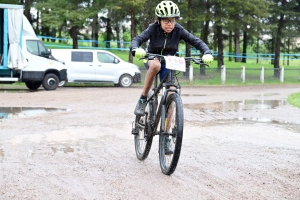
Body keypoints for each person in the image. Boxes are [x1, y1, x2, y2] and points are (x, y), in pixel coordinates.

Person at [131, 0, 213, 117]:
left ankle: (168, 131)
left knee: (171, 91)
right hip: (152, 57)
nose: (170, 24)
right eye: (166, 21)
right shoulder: (153, 28)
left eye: (173, 20)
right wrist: (135, 49)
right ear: (159, 20)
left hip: (169, 61)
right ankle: (143, 98)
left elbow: (196, 41)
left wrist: (207, 52)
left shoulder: (178, 30)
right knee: (156, 65)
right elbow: (137, 39)